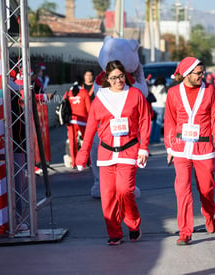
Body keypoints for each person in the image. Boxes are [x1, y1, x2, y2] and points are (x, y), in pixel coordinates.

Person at [76, 60, 151, 245]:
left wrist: (144, 148)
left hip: (129, 150)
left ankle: (133, 225)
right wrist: (83, 153)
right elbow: (91, 128)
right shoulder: (100, 98)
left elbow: (144, 121)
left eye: (121, 76)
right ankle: (115, 233)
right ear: (106, 79)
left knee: (125, 191)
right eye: (114, 78)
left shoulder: (135, 94)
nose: (119, 80)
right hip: (106, 154)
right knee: (108, 196)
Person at [164, 57, 215, 245]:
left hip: (204, 148)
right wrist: (170, 147)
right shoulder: (173, 93)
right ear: (186, 74)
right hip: (181, 149)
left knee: (207, 189)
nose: (202, 76)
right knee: (182, 190)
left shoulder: (209, 91)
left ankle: (208, 214)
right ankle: (185, 231)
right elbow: (170, 121)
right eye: (198, 73)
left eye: (202, 72)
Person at [64, 79, 91, 168]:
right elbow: (89, 109)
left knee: (72, 142)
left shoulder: (68, 92)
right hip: (82, 121)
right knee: (86, 141)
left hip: (71, 121)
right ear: (82, 84)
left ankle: (74, 162)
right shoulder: (84, 92)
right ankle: (88, 161)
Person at [150, 75, 167, 143]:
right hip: (161, 106)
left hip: (153, 105)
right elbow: (165, 99)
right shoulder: (163, 88)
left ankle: (151, 138)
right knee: (159, 123)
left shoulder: (152, 87)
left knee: (153, 123)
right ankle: (156, 138)